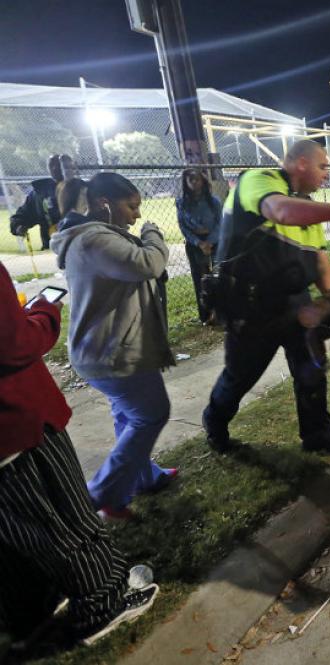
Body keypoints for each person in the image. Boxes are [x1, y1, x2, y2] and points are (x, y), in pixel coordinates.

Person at [0, 262, 159, 650]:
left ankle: (32, 614)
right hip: (17, 421)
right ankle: (103, 603)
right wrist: (44, 312)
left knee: (16, 535)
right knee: (63, 519)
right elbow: (15, 343)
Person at [203, 139, 330, 455]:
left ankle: (318, 435)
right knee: (240, 377)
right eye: (323, 166)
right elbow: (279, 211)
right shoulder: (260, 180)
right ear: (302, 163)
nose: (326, 175)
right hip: (252, 306)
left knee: (311, 370)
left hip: (296, 302)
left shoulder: (305, 205)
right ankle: (215, 424)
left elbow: (320, 259)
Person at [50, 173, 177, 519]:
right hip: (111, 353)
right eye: (131, 206)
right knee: (151, 414)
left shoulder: (97, 236)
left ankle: (142, 478)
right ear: (105, 203)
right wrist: (153, 233)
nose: (136, 215)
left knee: (128, 415)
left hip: (105, 350)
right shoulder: (93, 240)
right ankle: (103, 493)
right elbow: (148, 263)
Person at [176, 168, 223, 322]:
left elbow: (220, 223)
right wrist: (199, 242)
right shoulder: (182, 203)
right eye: (190, 179)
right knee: (200, 279)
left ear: (203, 181)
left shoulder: (213, 201)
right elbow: (183, 227)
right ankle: (206, 315)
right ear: (186, 182)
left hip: (214, 241)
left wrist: (209, 241)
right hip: (195, 243)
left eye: (197, 179)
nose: (194, 182)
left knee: (217, 276)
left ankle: (220, 312)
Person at [9, 154, 64, 250]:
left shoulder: (82, 189)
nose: (55, 168)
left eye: (59, 164)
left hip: (81, 245)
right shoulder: (39, 192)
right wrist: (18, 226)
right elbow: (24, 214)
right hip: (52, 248)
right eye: (51, 165)